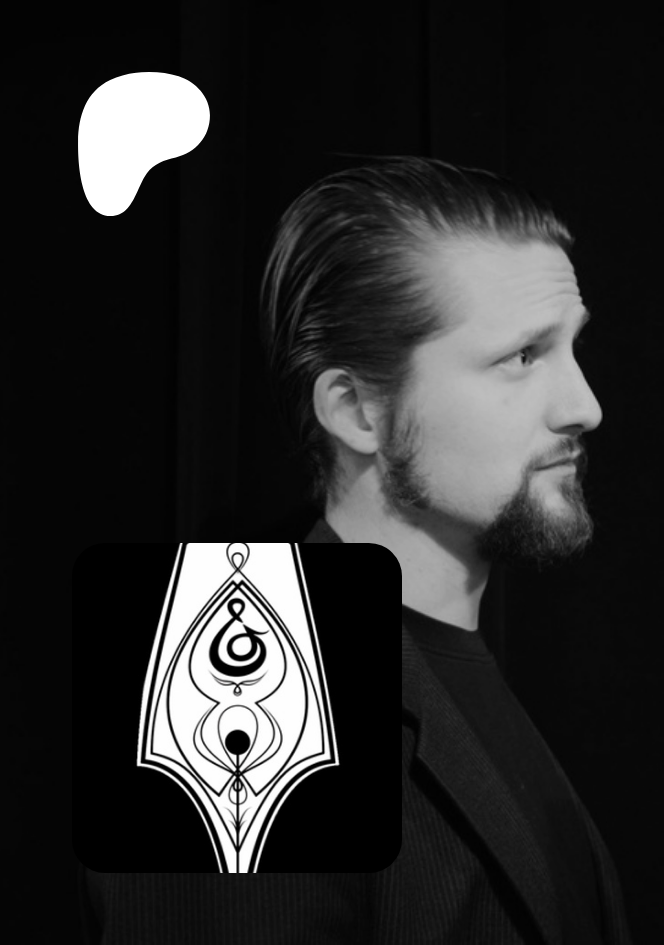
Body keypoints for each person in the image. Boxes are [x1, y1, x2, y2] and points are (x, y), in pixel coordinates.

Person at [80, 156, 631, 944]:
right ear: (357, 411)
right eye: (522, 356)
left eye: (572, 347)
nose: (585, 406)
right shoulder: (245, 694)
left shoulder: (453, 673)